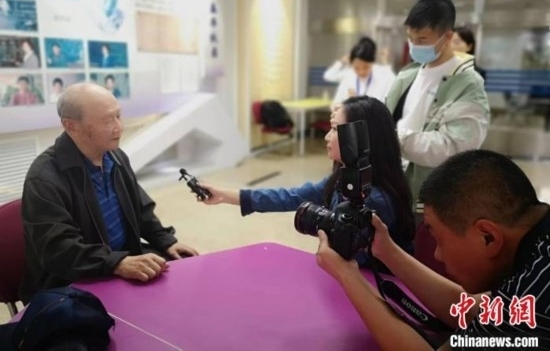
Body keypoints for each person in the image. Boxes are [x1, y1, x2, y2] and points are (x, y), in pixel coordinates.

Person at [316, 149, 550, 350]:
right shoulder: (536, 250)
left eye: (438, 239)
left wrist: (346, 274)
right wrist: (386, 250)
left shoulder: (534, 295)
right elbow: (469, 310)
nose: (437, 254)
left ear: (487, 237)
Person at [20, 83, 199, 303]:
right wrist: (117, 263)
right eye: (107, 120)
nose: (119, 127)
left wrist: (166, 241)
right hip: (73, 281)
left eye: (118, 116)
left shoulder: (115, 156)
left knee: (185, 282)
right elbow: (59, 250)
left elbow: (140, 208)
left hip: (118, 259)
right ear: (71, 126)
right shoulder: (44, 179)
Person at [201, 96, 415, 265]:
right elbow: (290, 196)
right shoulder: (343, 180)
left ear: (359, 139)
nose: (326, 137)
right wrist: (225, 195)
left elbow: (353, 265)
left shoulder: (374, 201)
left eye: (334, 129)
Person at [385, 0, 489, 212]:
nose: (414, 45)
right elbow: (386, 116)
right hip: (392, 189)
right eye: (410, 38)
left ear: (447, 36)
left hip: (431, 199)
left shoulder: (468, 84)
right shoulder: (408, 75)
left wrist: (392, 139)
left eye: (422, 40)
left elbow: (452, 147)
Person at [323, 37, 396, 109]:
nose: (361, 71)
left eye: (366, 67)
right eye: (357, 68)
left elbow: (393, 83)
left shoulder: (381, 75)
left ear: (372, 64)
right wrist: (347, 104)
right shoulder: (349, 76)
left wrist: (385, 61)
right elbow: (335, 106)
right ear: (352, 64)